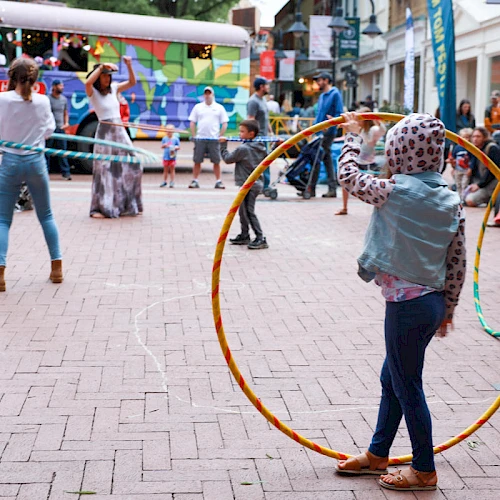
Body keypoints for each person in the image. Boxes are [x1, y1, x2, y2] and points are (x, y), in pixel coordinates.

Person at [335, 112, 466, 492]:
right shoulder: (452, 201)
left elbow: (347, 176)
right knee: (392, 378)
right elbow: (456, 261)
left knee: (407, 385)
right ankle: (378, 454)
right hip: (430, 305)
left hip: (408, 307)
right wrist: (449, 310)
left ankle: (424, 469)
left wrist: (352, 135)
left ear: (400, 152)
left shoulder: (392, 191)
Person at [0, 57, 63, 290]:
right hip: (35, 161)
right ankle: (57, 268)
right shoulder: (43, 101)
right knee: (46, 215)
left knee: (3, 220)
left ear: (11, 77)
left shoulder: (2, 99)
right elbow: (49, 131)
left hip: (10, 161)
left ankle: (0, 273)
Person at [85, 57, 142, 218]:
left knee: (133, 164)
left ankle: (127, 204)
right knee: (105, 170)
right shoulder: (93, 92)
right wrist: (101, 67)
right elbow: (88, 83)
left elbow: (132, 82)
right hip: (105, 132)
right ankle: (101, 208)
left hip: (119, 131)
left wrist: (129, 65)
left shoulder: (114, 88)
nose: (107, 78)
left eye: (109, 75)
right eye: (104, 75)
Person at [219, 119, 268, 250]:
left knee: (248, 211)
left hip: (249, 184)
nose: (239, 134)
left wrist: (223, 145)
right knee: (242, 210)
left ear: (251, 134)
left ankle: (260, 237)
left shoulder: (243, 149)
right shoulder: (260, 145)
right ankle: (244, 234)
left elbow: (228, 159)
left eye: (242, 132)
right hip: (255, 183)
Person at [335, 107, 386, 215]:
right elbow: (351, 134)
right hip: (357, 162)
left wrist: (376, 118)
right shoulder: (359, 130)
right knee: (345, 182)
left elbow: (382, 130)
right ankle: (344, 207)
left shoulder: (372, 131)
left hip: (368, 163)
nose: (357, 121)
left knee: (376, 186)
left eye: (360, 118)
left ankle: (378, 209)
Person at [309, 72, 344, 198]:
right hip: (319, 131)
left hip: (327, 132)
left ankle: (313, 188)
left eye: (320, 80)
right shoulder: (323, 96)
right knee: (323, 158)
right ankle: (321, 187)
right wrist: (314, 128)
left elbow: (340, 113)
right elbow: (319, 114)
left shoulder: (335, 94)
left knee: (320, 157)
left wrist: (331, 124)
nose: (318, 83)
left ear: (326, 80)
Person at [188, 86, 228, 189]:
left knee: (216, 161)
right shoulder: (198, 107)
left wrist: (220, 135)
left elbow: (224, 122)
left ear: (212, 95)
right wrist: (194, 135)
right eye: (205, 93)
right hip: (201, 138)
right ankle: (195, 180)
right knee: (197, 160)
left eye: (209, 93)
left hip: (214, 139)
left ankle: (218, 181)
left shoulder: (219, 107)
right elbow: (192, 121)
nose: (207, 95)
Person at [463, 126, 500, 207]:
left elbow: (492, 172)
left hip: (492, 182)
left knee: (470, 200)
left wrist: (479, 185)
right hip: (480, 180)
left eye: (478, 136)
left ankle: (492, 199)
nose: (475, 139)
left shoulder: (492, 148)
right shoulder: (475, 148)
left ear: (484, 137)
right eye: (473, 136)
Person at [247, 77, 273, 191]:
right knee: (261, 162)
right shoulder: (253, 101)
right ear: (261, 87)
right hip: (258, 138)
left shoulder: (263, 100)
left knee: (265, 161)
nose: (268, 87)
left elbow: (266, 118)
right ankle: (262, 186)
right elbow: (251, 120)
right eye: (267, 85)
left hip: (265, 137)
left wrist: (271, 132)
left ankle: (264, 185)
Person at [46, 79, 72, 180]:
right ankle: (45, 172)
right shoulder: (47, 99)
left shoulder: (64, 99)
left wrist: (66, 123)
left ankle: (66, 173)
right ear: (54, 87)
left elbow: (65, 113)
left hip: (61, 129)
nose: (62, 87)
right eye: (60, 86)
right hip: (50, 129)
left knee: (63, 152)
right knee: (47, 151)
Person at [446, 127, 473, 201]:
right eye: (463, 137)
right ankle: (459, 197)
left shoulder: (471, 148)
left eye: (467, 137)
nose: (466, 139)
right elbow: (453, 157)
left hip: (466, 170)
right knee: (458, 184)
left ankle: (463, 198)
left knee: (464, 184)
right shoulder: (457, 148)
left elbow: (473, 159)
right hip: (458, 169)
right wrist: (451, 162)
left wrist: (470, 168)